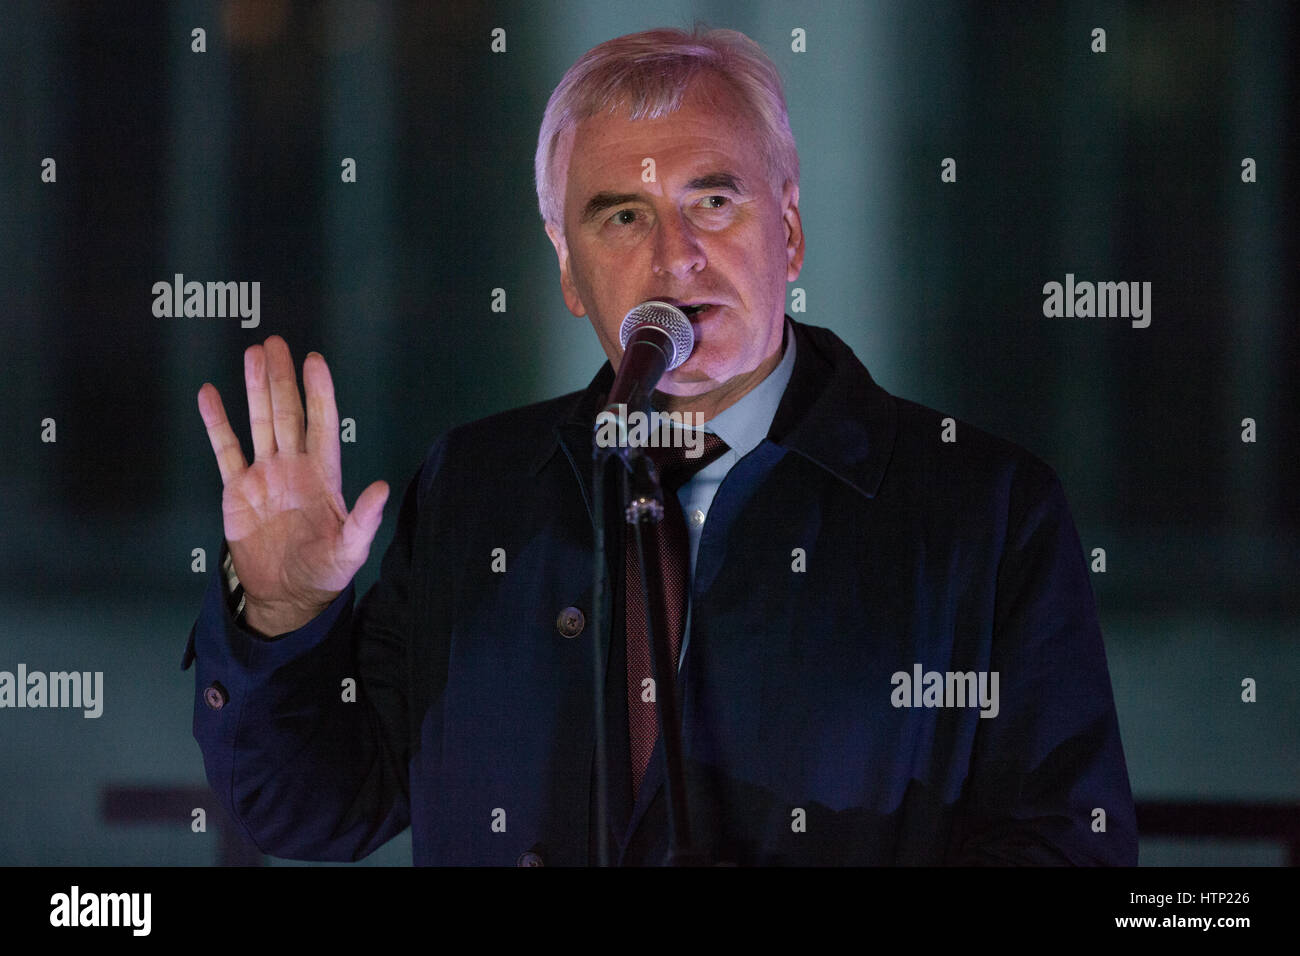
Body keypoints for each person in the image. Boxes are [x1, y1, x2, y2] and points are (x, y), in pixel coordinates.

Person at [185, 26, 1137, 865]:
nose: (673, 257)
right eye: (623, 216)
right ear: (568, 269)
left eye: (714, 203)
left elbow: (1068, 850)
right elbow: (312, 811)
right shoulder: (475, 489)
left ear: (792, 233)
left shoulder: (985, 508)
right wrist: (281, 621)